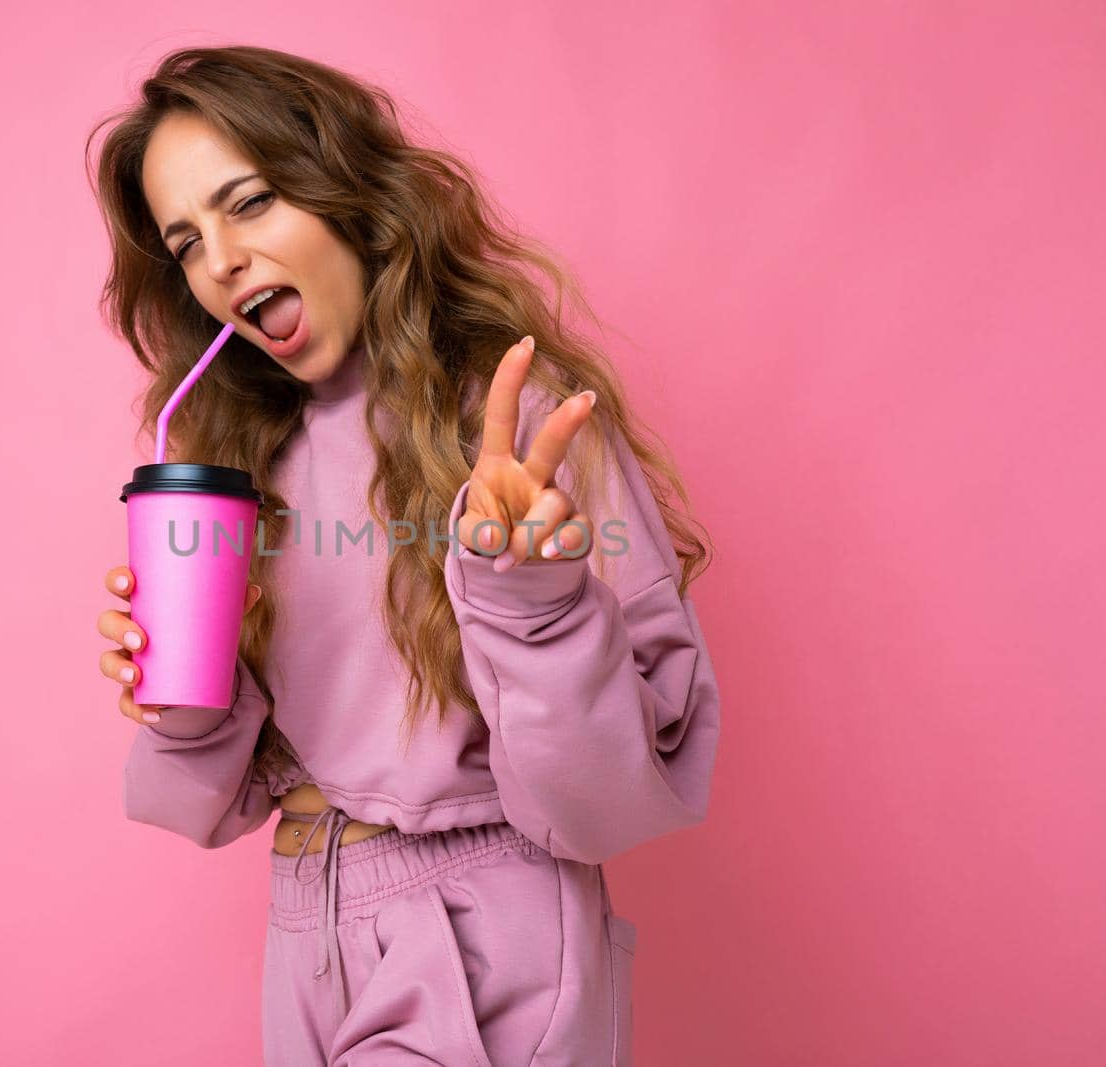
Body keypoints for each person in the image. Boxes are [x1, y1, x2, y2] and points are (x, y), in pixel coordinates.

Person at [88, 45, 721, 1067]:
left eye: (248, 202)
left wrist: (533, 591)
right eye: (187, 240)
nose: (220, 261)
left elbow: (612, 803)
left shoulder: (520, 428)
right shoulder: (241, 457)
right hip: (305, 928)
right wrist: (184, 697)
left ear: (347, 193)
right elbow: (215, 801)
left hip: (482, 933)